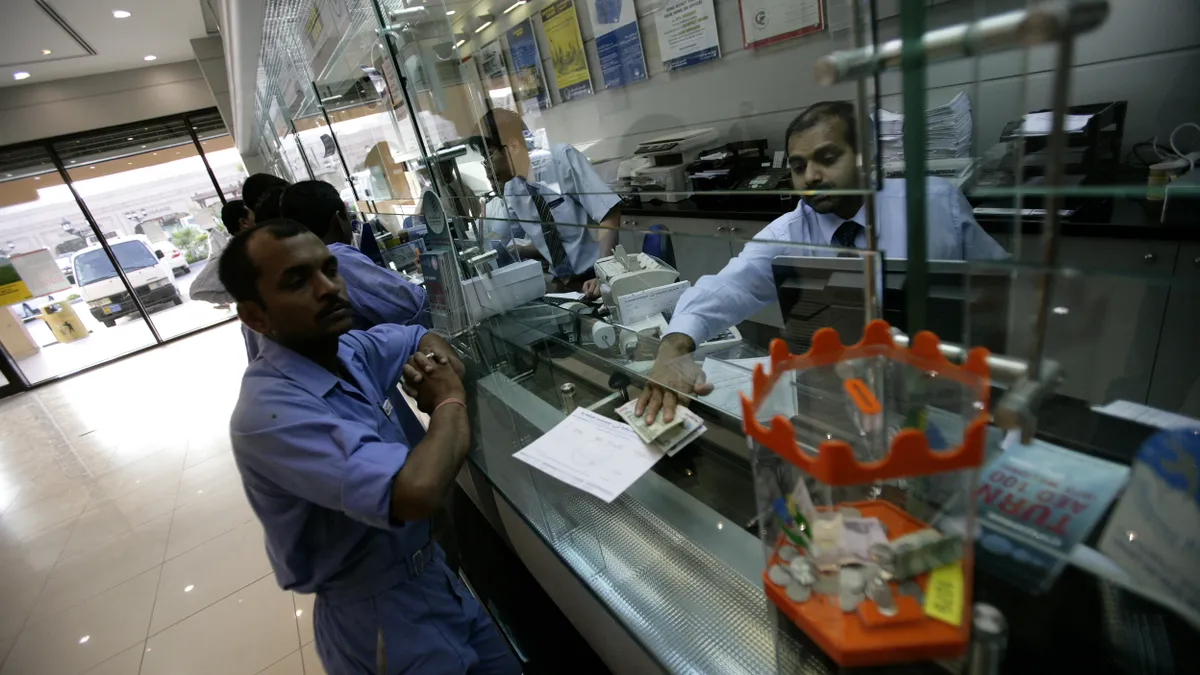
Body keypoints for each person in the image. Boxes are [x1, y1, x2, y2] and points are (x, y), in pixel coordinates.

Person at [220, 219, 520, 675]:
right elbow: (414, 493)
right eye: (298, 281)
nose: (329, 289)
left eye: (330, 270)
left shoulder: (344, 351)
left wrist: (436, 362)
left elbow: (415, 336)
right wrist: (447, 400)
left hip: (433, 577)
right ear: (255, 316)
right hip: (378, 615)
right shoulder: (269, 414)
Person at [635, 100, 1008, 424]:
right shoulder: (788, 232)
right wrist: (674, 347)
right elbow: (729, 286)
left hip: (939, 386)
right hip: (838, 398)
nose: (811, 176)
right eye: (798, 166)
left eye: (827, 159)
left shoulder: (934, 205)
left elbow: (999, 287)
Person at [475, 109, 622, 295]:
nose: (487, 164)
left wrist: (604, 273)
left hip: (596, 274)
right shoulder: (513, 188)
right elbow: (509, 236)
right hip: (563, 282)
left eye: (488, 155)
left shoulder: (561, 159)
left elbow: (609, 212)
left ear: (512, 146)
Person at [280, 179, 430, 330]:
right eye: (349, 217)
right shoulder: (338, 257)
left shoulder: (312, 264)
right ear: (339, 219)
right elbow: (414, 306)